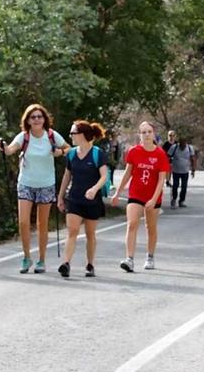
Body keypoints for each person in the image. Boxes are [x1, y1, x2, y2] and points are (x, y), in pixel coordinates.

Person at [0, 105, 66, 273]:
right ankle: (26, 258)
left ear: (44, 119)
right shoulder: (24, 137)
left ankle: (41, 260)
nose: (36, 119)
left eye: (39, 116)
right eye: (33, 117)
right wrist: (3, 147)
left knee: (42, 224)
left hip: (46, 184)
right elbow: (10, 149)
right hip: (26, 183)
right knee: (23, 222)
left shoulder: (51, 135)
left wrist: (59, 152)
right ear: (27, 120)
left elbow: (69, 149)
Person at [57, 119, 112, 277]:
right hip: (74, 198)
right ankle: (66, 263)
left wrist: (94, 189)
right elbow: (66, 177)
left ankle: (90, 264)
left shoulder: (97, 154)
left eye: (73, 133)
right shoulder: (72, 154)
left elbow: (104, 176)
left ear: (82, 135)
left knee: (90, 234)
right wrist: (60, 197)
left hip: (92, 201)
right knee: (72, 231)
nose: (71, 136)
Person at [117, 120, 168, 273]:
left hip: (153, 196)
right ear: (139, 135)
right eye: (143, 132)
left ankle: (150, 256)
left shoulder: (160, 154)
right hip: (136, 193)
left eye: (149, 132)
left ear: (154, 134)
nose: (146, 135)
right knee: (132, 223)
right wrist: (118, 192)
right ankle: (129, 259)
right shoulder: (134, 151)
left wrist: (153, 199)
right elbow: (128, 173)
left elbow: (161, 180)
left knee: (150, 227)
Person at [168, 138, 194, 208]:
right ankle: (173, 200)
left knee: (184, 187)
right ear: (179, 143)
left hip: (185, 171)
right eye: (181, 144)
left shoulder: (189, 148)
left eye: (184, 144)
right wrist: (168, 167)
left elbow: (192, 159)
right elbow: (168, 156)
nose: (183, 146)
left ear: (186, 143)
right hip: (176, 171)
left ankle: (181, 201)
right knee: (175, 186)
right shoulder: (174, 147)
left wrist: (193, 170)